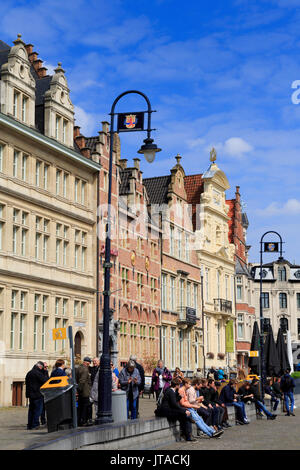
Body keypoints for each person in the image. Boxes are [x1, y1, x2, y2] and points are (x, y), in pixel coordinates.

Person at [25, 361, 48, 430]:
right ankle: (35, 424)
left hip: (30, 394)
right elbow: (45, 380)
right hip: (37, 394)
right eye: (43, 367)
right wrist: (45, 372)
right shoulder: (38, 373)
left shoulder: (29, 372)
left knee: (31, 410)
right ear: (40, 367)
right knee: (37, 410)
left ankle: (30, 424)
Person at [76, 357, 93, 426]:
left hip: (81, 391)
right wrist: (79, 389)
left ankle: (79, 420)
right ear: (87, 363)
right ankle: (83, 421)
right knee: (85, 407)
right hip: (85, 391)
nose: (89, 365)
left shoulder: (78, 368)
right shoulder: (85, 369)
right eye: (89, 363)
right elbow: (82, 381)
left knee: (80, 407)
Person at [40, 362, 49, 426]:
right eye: (45, 367)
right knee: (42, 408)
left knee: (46, 407)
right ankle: (43, 420)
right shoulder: (41, 373)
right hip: (41, 392)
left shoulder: (46, 372)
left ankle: (45, 420)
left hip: (46, 391)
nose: (46, 368)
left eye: (47, 367)